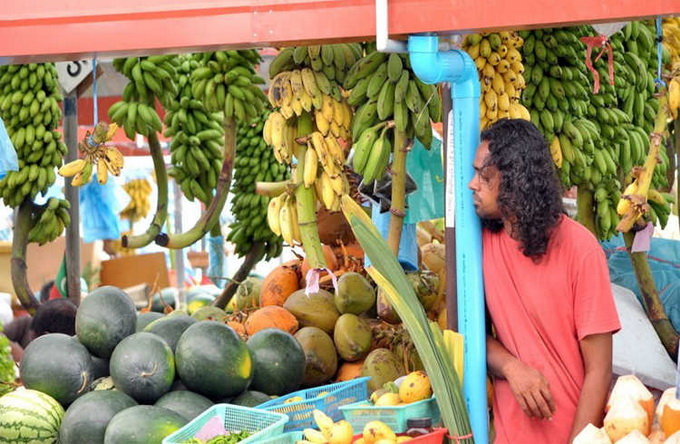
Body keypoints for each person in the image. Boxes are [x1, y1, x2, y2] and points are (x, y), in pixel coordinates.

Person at [468, 119, 621, 443]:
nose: (472, 184)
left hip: (572, 431)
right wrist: (512, 367)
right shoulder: (478, 244)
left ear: (514, 181)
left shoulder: (580, 249)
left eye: (484, 176)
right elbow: (470, 334)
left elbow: (599, 370)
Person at [2, 298, 77, 362]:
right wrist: (10, 347)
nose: (31, 338)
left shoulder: (69, 357)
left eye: (34, 337)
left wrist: (25, 360)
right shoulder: (26, 323)